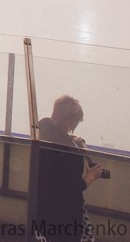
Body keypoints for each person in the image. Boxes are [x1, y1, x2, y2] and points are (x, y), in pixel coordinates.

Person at [34, 95, 105, 242]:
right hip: (64, 215)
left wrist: (71, 140)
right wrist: (91, 176)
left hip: (42, 206)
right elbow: (72, 187)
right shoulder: (68, 152)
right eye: (75, 122)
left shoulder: (42, 128)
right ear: (68, 120)